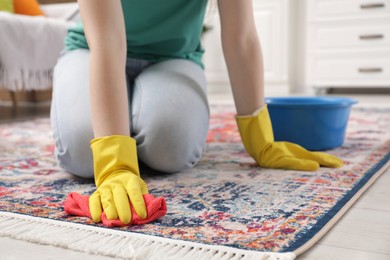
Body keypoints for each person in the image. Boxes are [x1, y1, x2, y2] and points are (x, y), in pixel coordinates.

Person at [50, 0, 343, 225]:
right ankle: (126, 139)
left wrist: (260, 138)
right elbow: (107, 39)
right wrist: (113, 163)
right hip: (92, 49)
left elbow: (240, 36)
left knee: (170, 148)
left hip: (173, 58)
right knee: (82, 151)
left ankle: (131, 132)